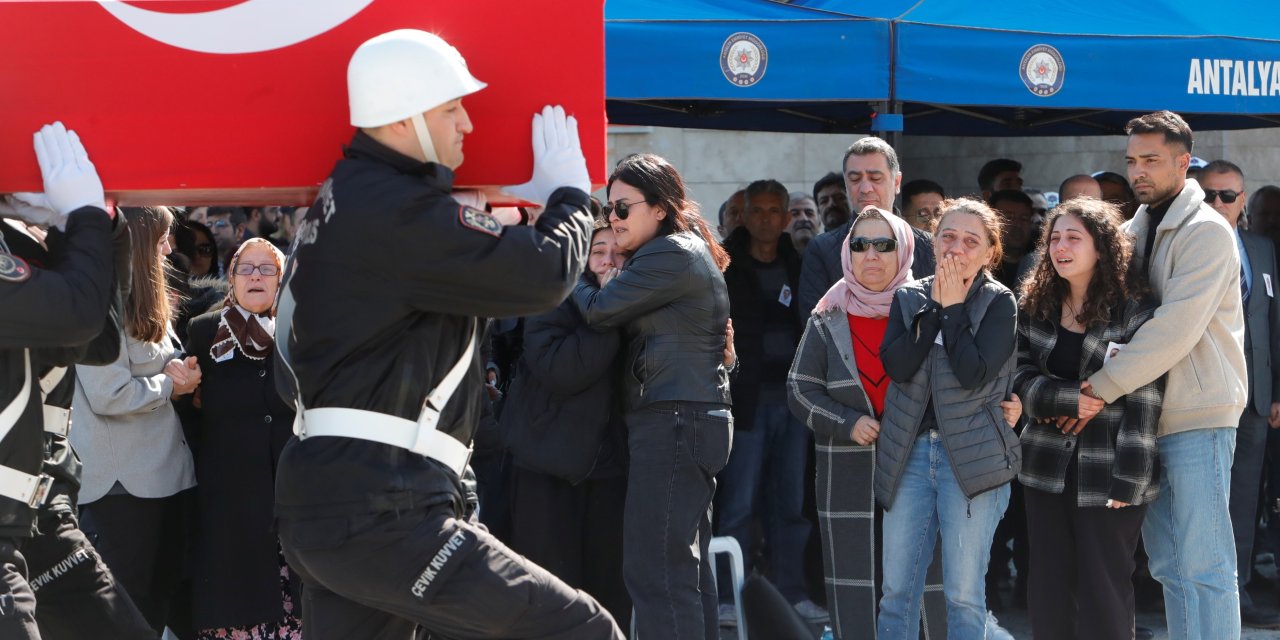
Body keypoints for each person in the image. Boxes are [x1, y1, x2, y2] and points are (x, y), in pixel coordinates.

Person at [272, 29, 619, 639]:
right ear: (405, 119)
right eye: (452, 107)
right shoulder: (398, 211)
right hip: (385, 510)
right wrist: (571, 199)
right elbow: (542, 275)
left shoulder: (347, 200)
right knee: (577, 629)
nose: (467, 123)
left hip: (336, 504)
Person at [789, 207, 999, 639]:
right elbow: (799, 390)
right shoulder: (827, 316)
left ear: (903, 250)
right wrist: (849, 422)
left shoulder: (927, 305)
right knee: (859, 585)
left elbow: (975, 377)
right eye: (859, 244)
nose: (871, 255)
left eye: (884, 245)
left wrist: (1009, 404)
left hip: (923, 465)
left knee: (934, 586)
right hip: (848, 471)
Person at [1085, 111, 1247, 640]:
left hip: (1198, 416)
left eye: (1151, 160)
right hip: (1146, 415)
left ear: (1184, 162)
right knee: (1168, 568)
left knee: (1207, 567)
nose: (1139, 171)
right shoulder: (1134, 229)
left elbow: (1172, 328)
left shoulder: (1207, 232)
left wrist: (1098, 389)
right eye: (1132, 160)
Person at [0, 123, 158, 640]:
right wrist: (83, 217)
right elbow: (75, 317)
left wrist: (94, 229)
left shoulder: (12, 240)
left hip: (35, 516)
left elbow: (95, 340)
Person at [574, 152, 733, 639]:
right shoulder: (679, 251)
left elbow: (600, 310)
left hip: (674, 421)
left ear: (660, 208)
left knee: (656, 572)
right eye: (608, 209)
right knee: (685, 570)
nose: (612, 220)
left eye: (623, 208)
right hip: (685, 418)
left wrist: (578, 277)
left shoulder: (669, 253)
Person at [1013, 197, 1163, 640]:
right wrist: (1064, 399)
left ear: (1102, 247)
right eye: (1054, 238)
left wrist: (1131, 481)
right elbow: (1017, 376)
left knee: (1105, 585)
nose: (1060, 246)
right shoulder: (1034, 304)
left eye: (1073, 238)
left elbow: (1145, 398)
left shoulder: (1135, 308)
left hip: (1112, 466)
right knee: (1048, 583)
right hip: (1043, 464)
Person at [876, 197, 1021, 639]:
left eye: (970, 241)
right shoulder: (907, 296)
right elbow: (898, 367)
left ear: (989, 253)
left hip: (972, 461)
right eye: (948, 236)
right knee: (897, 591)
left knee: (963, 594)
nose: (957, 248)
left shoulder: (1000, 302)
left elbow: (973, 373)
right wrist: (937, 307)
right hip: (911, 456)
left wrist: (955, 308)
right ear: (934, 241)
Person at [72, 205, 199, 635]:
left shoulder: (146, 305)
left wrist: (183, 370)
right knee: (125, 610)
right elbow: (110, 394)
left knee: (160, 600)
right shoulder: (102, 309)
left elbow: (161, 366)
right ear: (141, 244)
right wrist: (171, 386)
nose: (170, 249)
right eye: (162, 239)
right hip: (122, 488)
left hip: (166, 477)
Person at [500, 217, 631, 629]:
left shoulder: (639, 300)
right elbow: (565, 370)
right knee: (552, 597)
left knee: (608, 596)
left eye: (619, 254)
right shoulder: (557, 298)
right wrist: (607, 313)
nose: (609, 262)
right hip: (549, 470)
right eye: (599, 252)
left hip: (610, 470)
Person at [180, 238, 301, 639]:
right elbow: (189, 414)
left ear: (281, 280)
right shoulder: (203, 333)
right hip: (229, 500)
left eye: (267, 269)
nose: (255, 276)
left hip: (291, 496)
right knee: (236, 610)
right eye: (246, 268)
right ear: (230, 278)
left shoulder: (299, 335)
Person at [716, 179, 824, 625]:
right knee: (738, 505)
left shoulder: (800, 265)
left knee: (790, 505)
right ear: (743, 215)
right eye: (755, 210)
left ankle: (791, 593)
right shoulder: (724, 264)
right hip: (745, 403)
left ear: (784, 217)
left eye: (772, 211)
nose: (763, 219)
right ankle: (728, 595)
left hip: (794, 403)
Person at [1199, 159, 1280, 629]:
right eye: (1209, 195)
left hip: (1254, 399)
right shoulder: (1185, 244)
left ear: (1242, 199)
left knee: (1244, 498)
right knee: (1204, 498)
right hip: (1205, 396)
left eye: (1227, 196)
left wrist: (1276, 393)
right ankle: (1207, 589)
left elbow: (1273, 324)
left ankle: (1239, 587)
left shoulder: (1262, 248)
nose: (1217, 204)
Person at [799, 137, 935, 316]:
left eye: (875, 178)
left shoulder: (929, 246)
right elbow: (815, 323)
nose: (865, 188)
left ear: (896, 182)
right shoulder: (822, 249)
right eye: (855, 179)